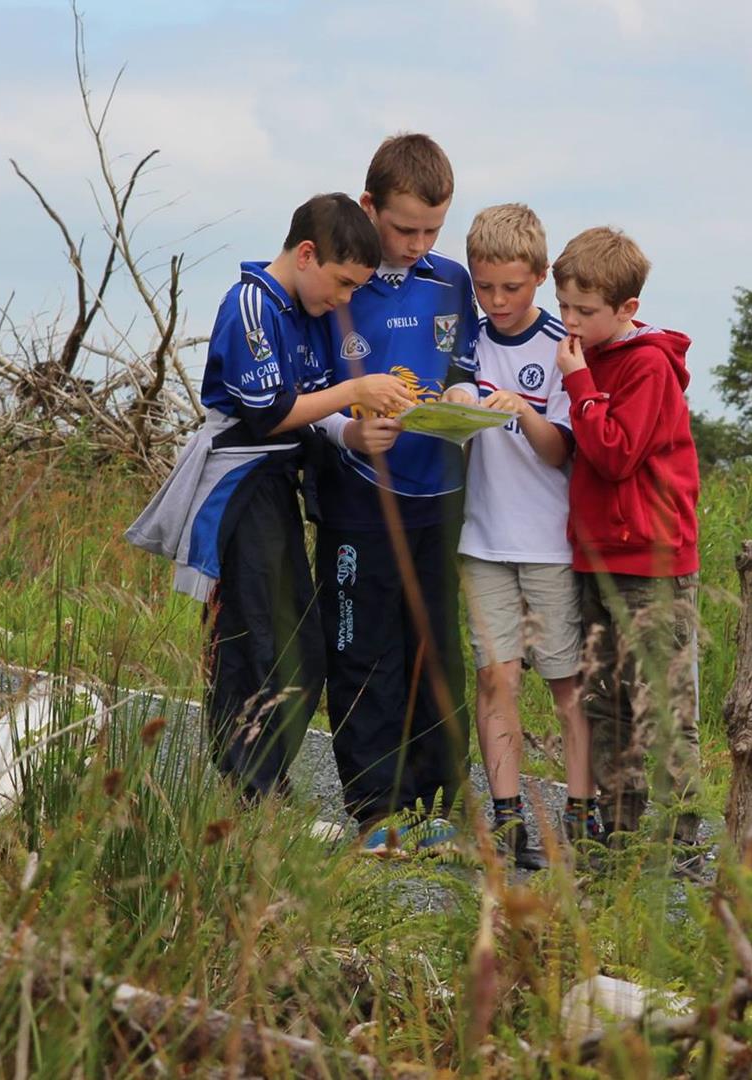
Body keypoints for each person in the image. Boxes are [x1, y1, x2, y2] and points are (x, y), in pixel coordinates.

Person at [125, 194, 413, 799]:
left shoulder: (309, 310)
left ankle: (263, 778)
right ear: (306, 255)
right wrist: (354, 390)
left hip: (280, 485)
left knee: (302, 648)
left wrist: (353, 428)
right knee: (256, 638)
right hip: (240, 486)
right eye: (340, 283)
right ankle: (246, 786)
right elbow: (270, 413)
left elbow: (312, 410)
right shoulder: (252, 303)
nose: (344, 300)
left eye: (356, 289)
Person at [311, 134, 480, 851]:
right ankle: (375, 811)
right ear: (370, 205)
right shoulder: (336, 283)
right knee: (363, 652)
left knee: (436, 650)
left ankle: (437, 809)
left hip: (438, 494)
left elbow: (467, 363)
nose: (417, 243)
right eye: (404, 228)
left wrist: (468, 401)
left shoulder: (453, 281)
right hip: (356, 497)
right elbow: (305, 398)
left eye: (432, 230)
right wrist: (347, 432)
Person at [551, 226, 704, 857]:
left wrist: (579, 385)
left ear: (626, 310)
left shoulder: (645, 366)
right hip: (598, 559)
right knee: (607, 701)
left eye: (585, 312)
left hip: (653, 561)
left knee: (661, 705)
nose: (571, 322)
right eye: (564, 307)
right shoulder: (592, 359)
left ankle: (680, 843)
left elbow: (615, 454)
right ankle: (620, 832)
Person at [458, 204, 593, 869]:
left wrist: (521, 411)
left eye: (511, 287)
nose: (498, 301)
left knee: (568, 684)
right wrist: (452, 409)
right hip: (482, 540)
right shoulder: (469, 341)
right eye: (485, 287)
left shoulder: (562, 348)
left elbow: (560, 451)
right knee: (497, 679)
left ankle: (581, 813)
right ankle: (509, 818)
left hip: (549, 544)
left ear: (539, 277)